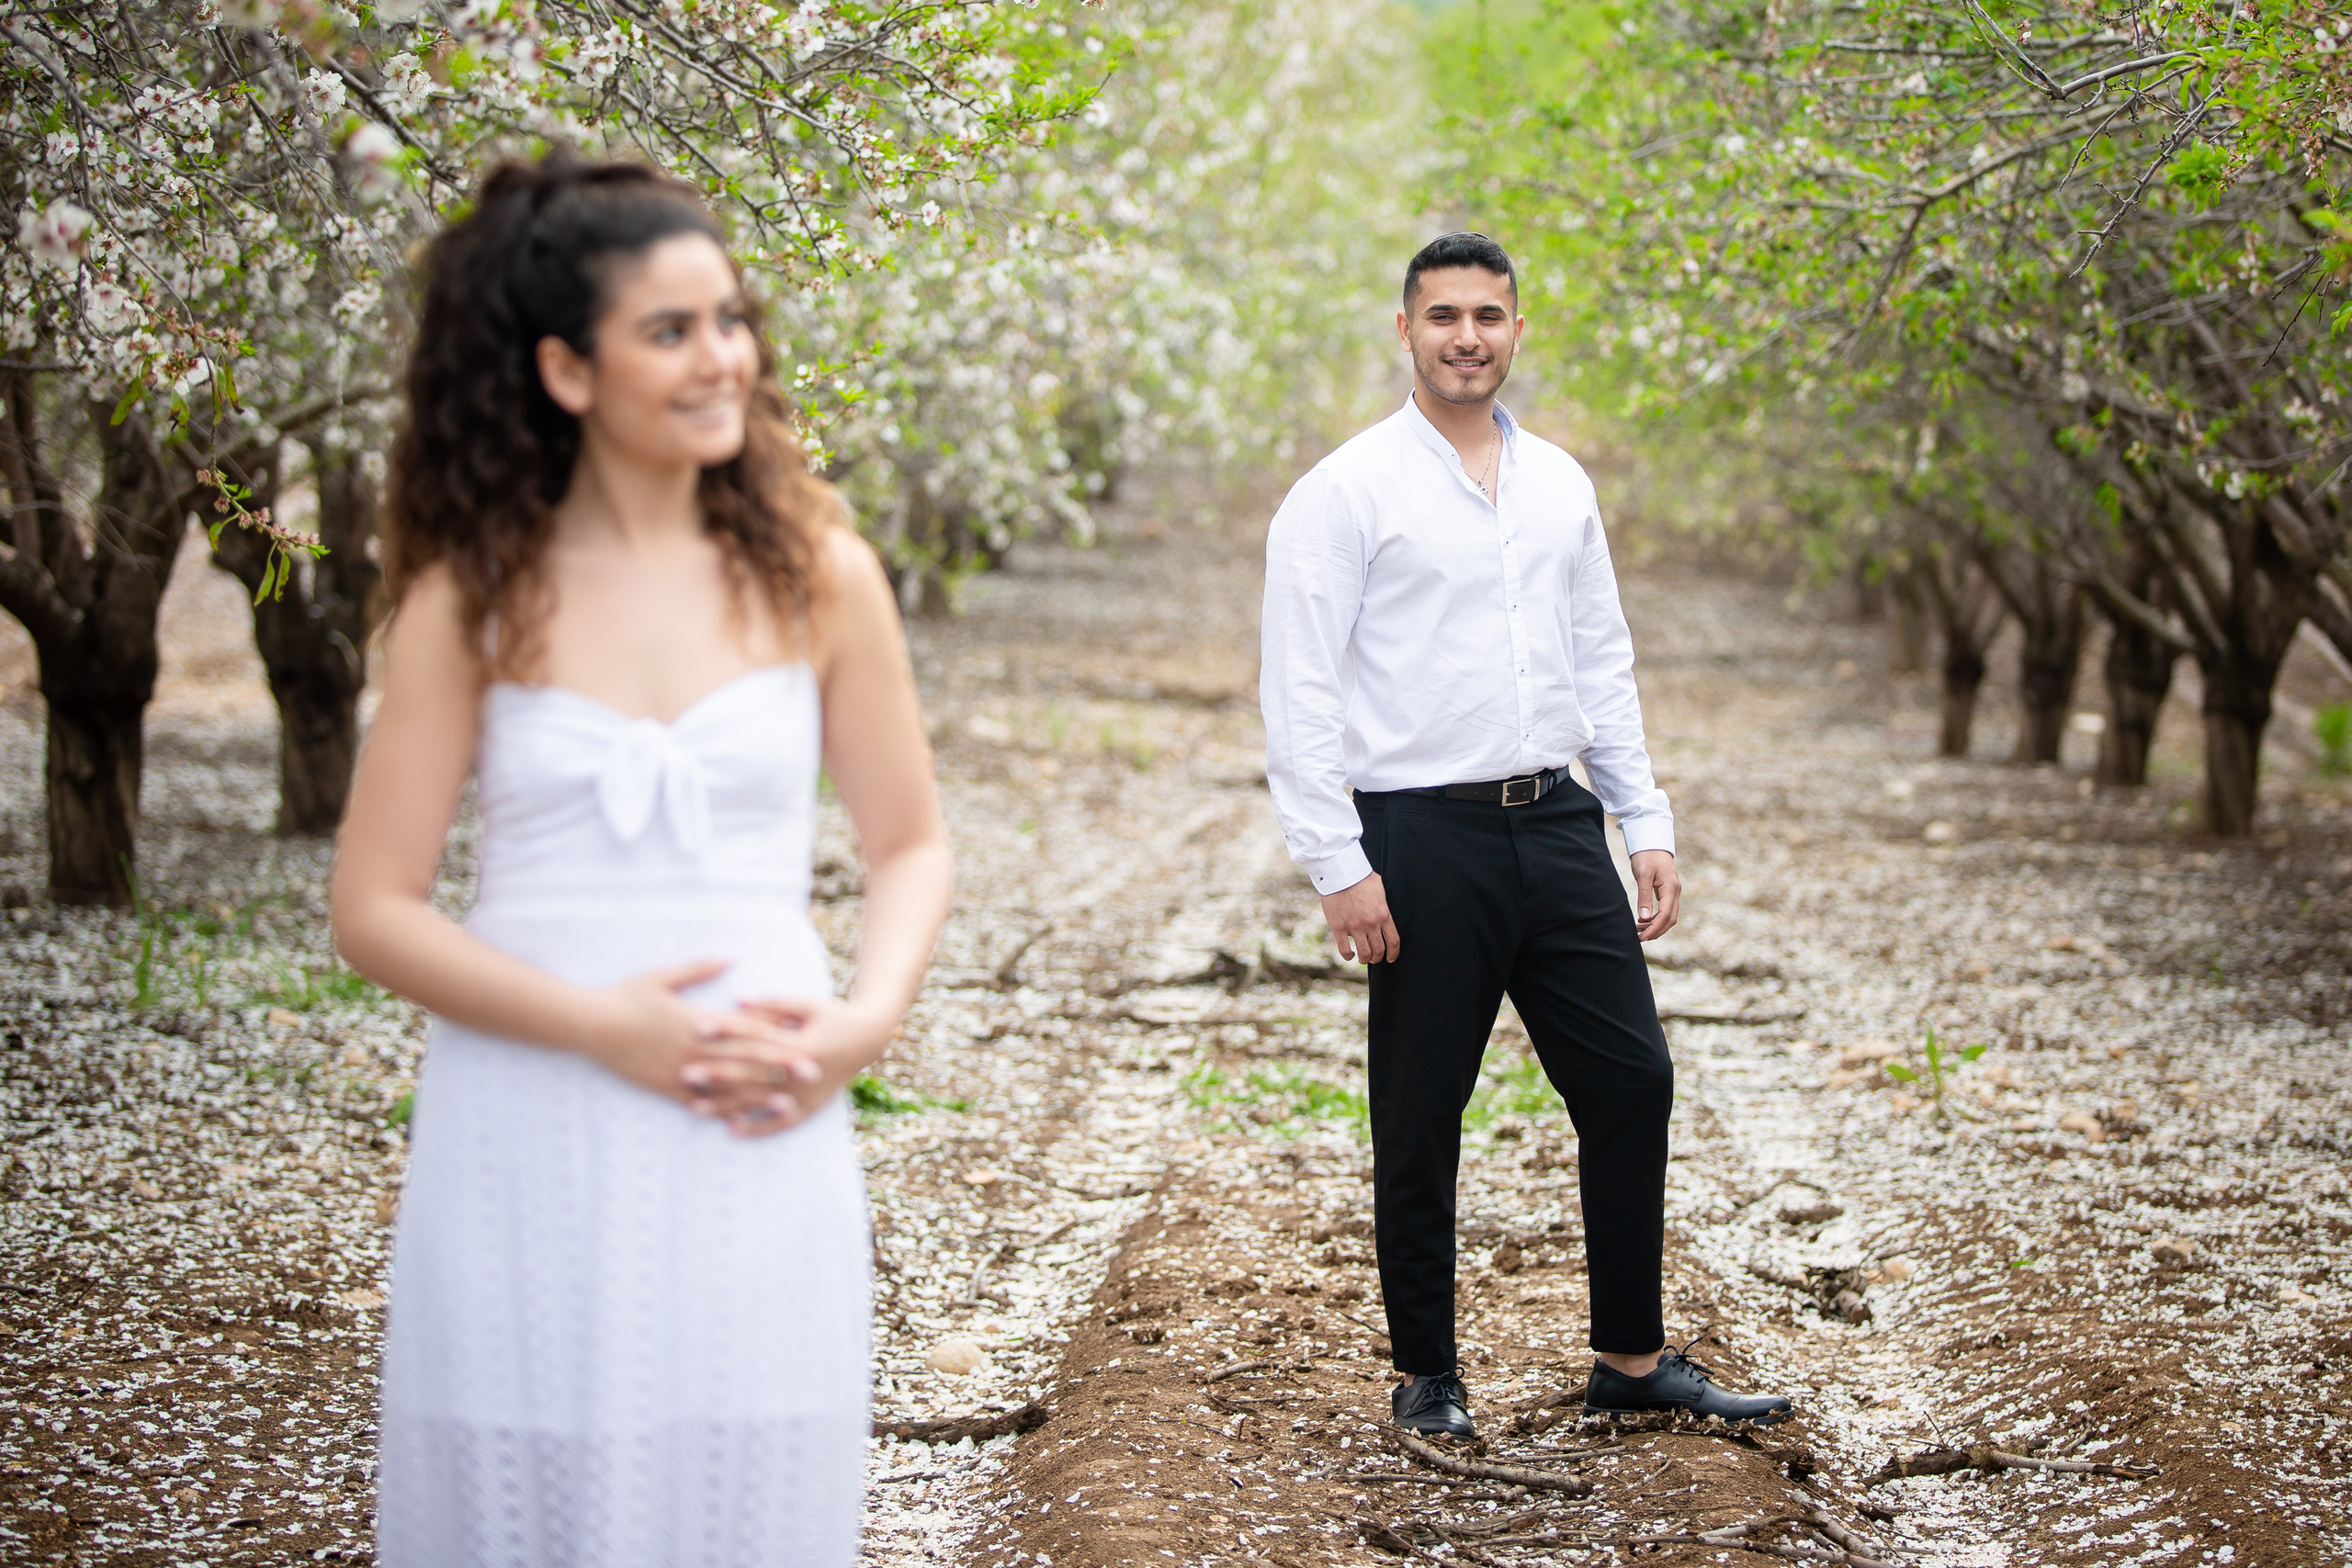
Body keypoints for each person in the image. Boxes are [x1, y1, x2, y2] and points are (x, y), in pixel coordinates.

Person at [331, 152, 952, 1565]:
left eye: (729, 320)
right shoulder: (471, 599)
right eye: (669, 332)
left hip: (760, 1106)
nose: (720, 357)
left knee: (745, 1479)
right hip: (526, 1107)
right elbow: (370, 908)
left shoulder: (817, 572)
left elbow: (909, 843)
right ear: (565, 370)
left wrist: (860, 1024)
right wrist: (599, 1025)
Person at [1259, 232, 1792, 1438]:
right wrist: (1339, 866)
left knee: (1632, 1080)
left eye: (1488, 316)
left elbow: (1601, 660)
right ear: (1405, 332)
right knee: (1422, 1107)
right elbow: (1299, 696)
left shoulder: (1559, 483)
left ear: (1516, 328)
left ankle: (1631, 1357)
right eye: (1442, 316)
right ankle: (1428, 1375)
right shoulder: (1345, 492)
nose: (1466, 336)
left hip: (1558, 821)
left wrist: (1640, 816)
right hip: (1420, 833)